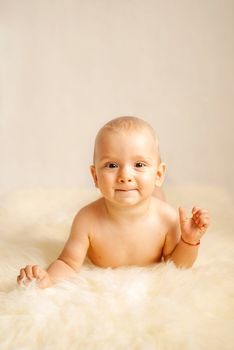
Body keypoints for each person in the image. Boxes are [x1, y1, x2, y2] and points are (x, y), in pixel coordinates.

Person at [17, 116, 210, 289]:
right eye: (112, 165)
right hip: (106, 208)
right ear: (95, 176)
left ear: (159, 174)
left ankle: (155, 190)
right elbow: (68, 263)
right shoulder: (87, 220)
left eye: (139, 165)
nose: (125, 175)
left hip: (156, 206)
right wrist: (48, 279)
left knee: (156, 197)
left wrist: (189, 241)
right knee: (142, 191)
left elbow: (176, 266)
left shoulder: (167, 218)